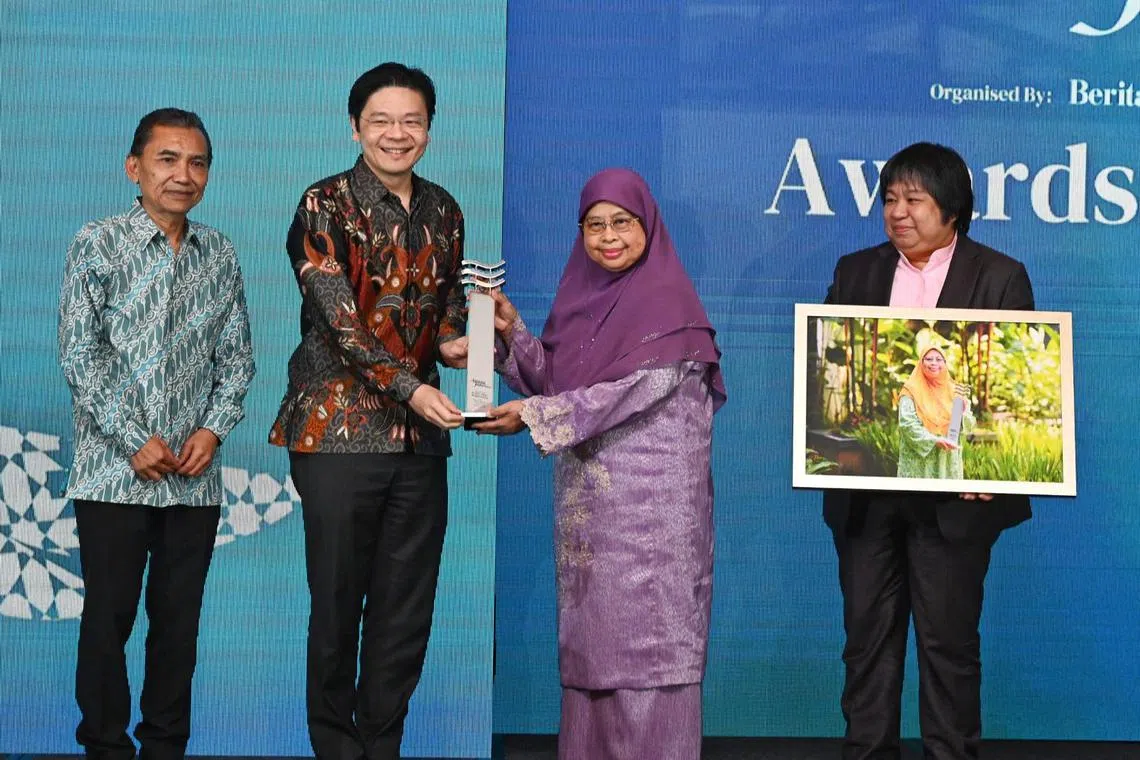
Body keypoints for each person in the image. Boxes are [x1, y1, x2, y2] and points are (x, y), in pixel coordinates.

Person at [474, 168, 726, 760]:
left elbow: (634, 389)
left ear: (648, 227)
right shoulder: (583, 301)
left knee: (651, 662)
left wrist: (533, 416)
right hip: (591, 521)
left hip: (653, 528)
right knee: (593, 663)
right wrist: (511, 334)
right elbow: (560, 381)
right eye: (594, 225)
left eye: (622, 223)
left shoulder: (669, 302)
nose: (608, 237)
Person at [268, 62, 467, 759]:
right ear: (355, 126)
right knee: (337, 606)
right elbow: (340, 324)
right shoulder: (323, 205)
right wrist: (410, 386)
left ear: (429, 131)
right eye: (381, 120)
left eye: (411, 121)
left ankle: (382, 747)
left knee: (405, 613)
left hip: (420, 443)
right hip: (337, 435)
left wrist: (465, 342)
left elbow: (441, 320)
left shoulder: (445, 210)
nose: (396, 133)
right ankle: (336, 748)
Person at [823, 142, 1034, 760]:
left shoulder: (999, 275)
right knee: (866, 641)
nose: (898, 213)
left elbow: (1013, 388)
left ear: (953, 209)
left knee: (948, 644)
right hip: (867, 494)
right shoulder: (855, 270)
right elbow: (831, 375)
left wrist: (994, 466)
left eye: (915, 200)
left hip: (955, 496)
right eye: (890, 199)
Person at [58, 108, 255, 760]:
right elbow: (81, 355)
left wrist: (214, 430)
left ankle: (166, 748)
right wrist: (130, 438)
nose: (183, 175)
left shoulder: (218, 252)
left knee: (178, 629)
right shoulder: (99, 242)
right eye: (168, 160)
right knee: (108, 622)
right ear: (134, 168)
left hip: (192, 481)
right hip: (114, 476)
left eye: (197, 162)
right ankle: (105, 747)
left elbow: (237, 358)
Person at [897, 340, 974, 479]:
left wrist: (962, 413)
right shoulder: (910, 391)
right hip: (920, 463)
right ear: (921, 362)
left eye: (939, 359)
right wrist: (933, 440)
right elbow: (907, 424)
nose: (934, 363)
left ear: (944, 364)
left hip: (948, 459)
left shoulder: (955, 391)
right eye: (929, 359)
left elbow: (969, 424)